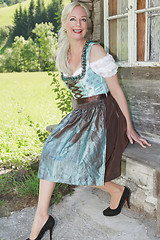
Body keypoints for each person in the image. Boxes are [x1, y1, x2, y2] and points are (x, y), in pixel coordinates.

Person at [26, 2, 151, 240]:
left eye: (83, 19)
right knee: (52, 150)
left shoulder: (95, 51)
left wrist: (129, 127)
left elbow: (115, 91)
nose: (78, 24)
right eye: (73, 19)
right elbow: (77, 94)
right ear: (64, 23)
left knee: (77, 159)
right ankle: (115, 191)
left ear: (88, 24)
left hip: (104, 113)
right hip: (83, 113)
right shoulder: (63, 53)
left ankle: (44, 219)